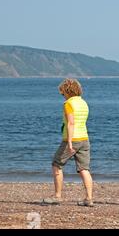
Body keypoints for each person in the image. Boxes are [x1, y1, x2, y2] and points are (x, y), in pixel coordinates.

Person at [42, 78, 94, 207]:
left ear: (67, 91)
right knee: (84, 169)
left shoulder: (68, 104)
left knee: (56, 164)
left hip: (72, 139)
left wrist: (69, 143)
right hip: (84, 139)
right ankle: (89, 198)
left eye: (62, 93)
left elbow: (71, 123)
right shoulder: (84, 103)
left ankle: (57, 196)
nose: (62, 95)